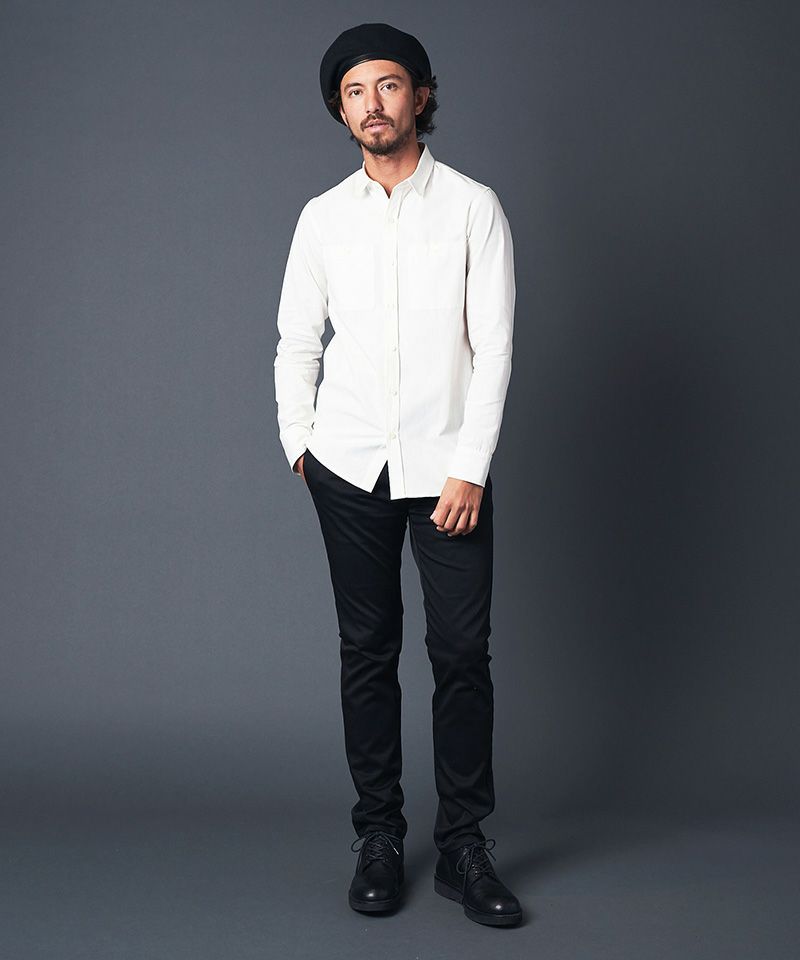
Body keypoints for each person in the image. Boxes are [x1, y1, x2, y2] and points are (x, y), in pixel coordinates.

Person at [274, 22, 521, 927]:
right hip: (346, 468)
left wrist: (470, 468)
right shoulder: (322, 217)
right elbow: (297, 340)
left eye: (387, 85)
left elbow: (493, 350)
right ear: (340, 112)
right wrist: (300, 445)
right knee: (367, 653)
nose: (372, 105)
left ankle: (464, 845)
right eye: (354, 92)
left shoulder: (472, 207)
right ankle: (379, 835)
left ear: (420, 94)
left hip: (448, 471)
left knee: (460, 655)